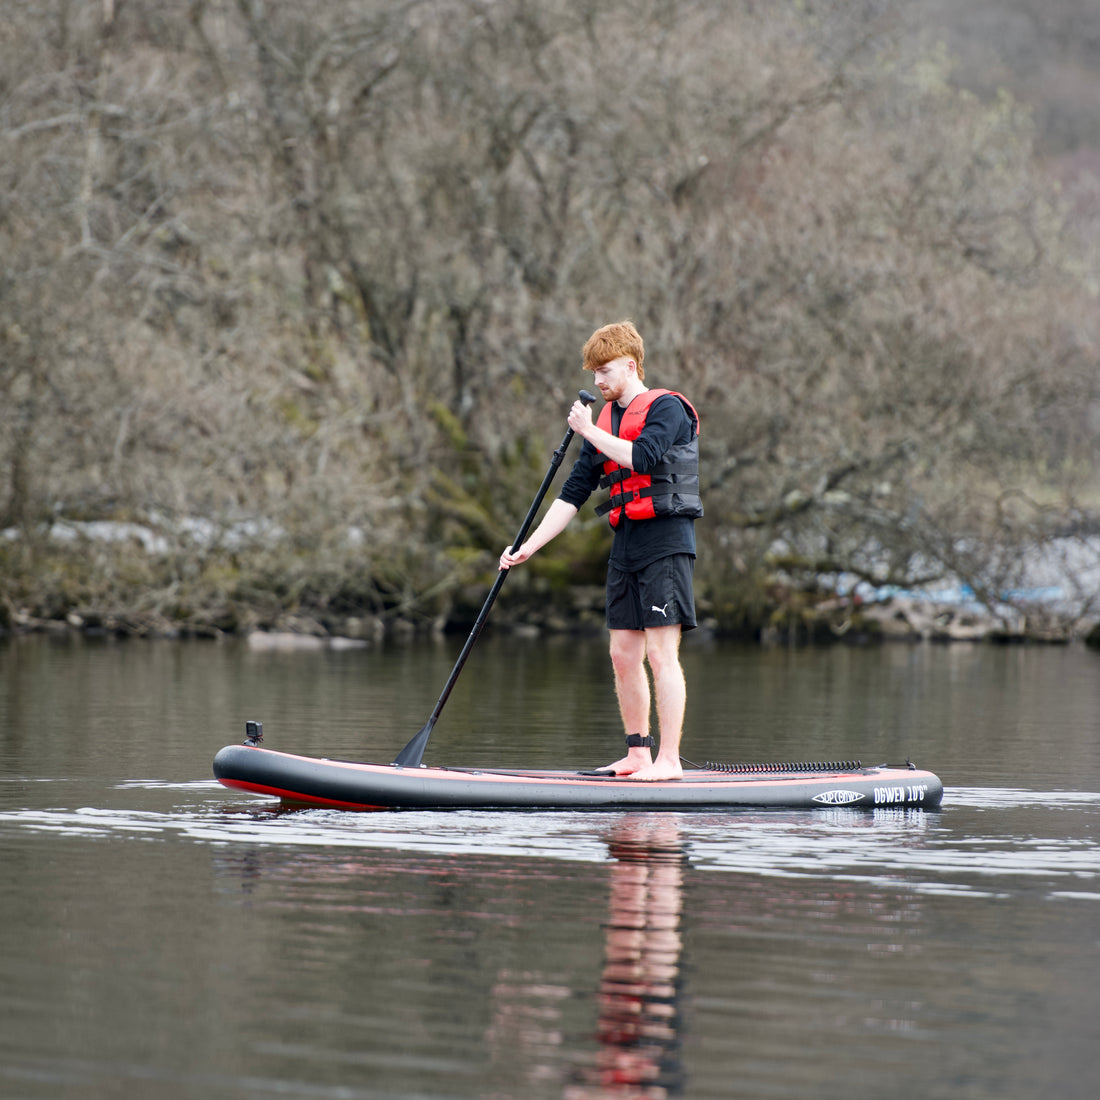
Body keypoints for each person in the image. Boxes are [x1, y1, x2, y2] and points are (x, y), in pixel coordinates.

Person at [499, 321, 702, 780]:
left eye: (604, 370)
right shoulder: (606, 421)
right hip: (626, 544)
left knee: (660, 653)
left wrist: (588, 431)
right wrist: (527, 547)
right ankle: (637, 754)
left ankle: (669, 762)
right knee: (622, 654)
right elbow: (572, 493)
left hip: (667, 543)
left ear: (631, 366)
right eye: (593, 372)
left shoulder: (667, 409)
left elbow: (642, 458)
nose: (597, 381)